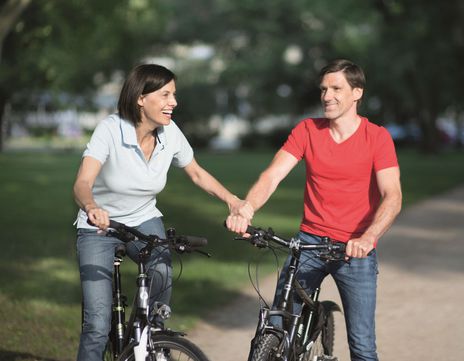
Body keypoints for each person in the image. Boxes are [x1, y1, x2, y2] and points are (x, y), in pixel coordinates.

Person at [226, 59, 402, 361]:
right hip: (309, 243)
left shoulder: (377, 137)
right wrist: (247, 208)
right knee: (277, 325)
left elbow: (393, 195)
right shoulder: (308, 130)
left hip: (353, 248)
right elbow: (272, 176)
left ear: (357, 93)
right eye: (323, 89)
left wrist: (369, 237)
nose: (327, 96)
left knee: (362, 346)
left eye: (336, 88)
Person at [73, 63, 251, 361]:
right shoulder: (111, 129)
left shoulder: (169, 133)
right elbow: (82, 182)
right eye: (166, 94)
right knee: (97, 324)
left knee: (161, 273)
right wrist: (92, 207)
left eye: (174, 94)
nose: (174, 102)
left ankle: (148, 343)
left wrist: (232, 200)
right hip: (98, 227)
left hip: (143, 219)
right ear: (141, 98)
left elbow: (196, 173)